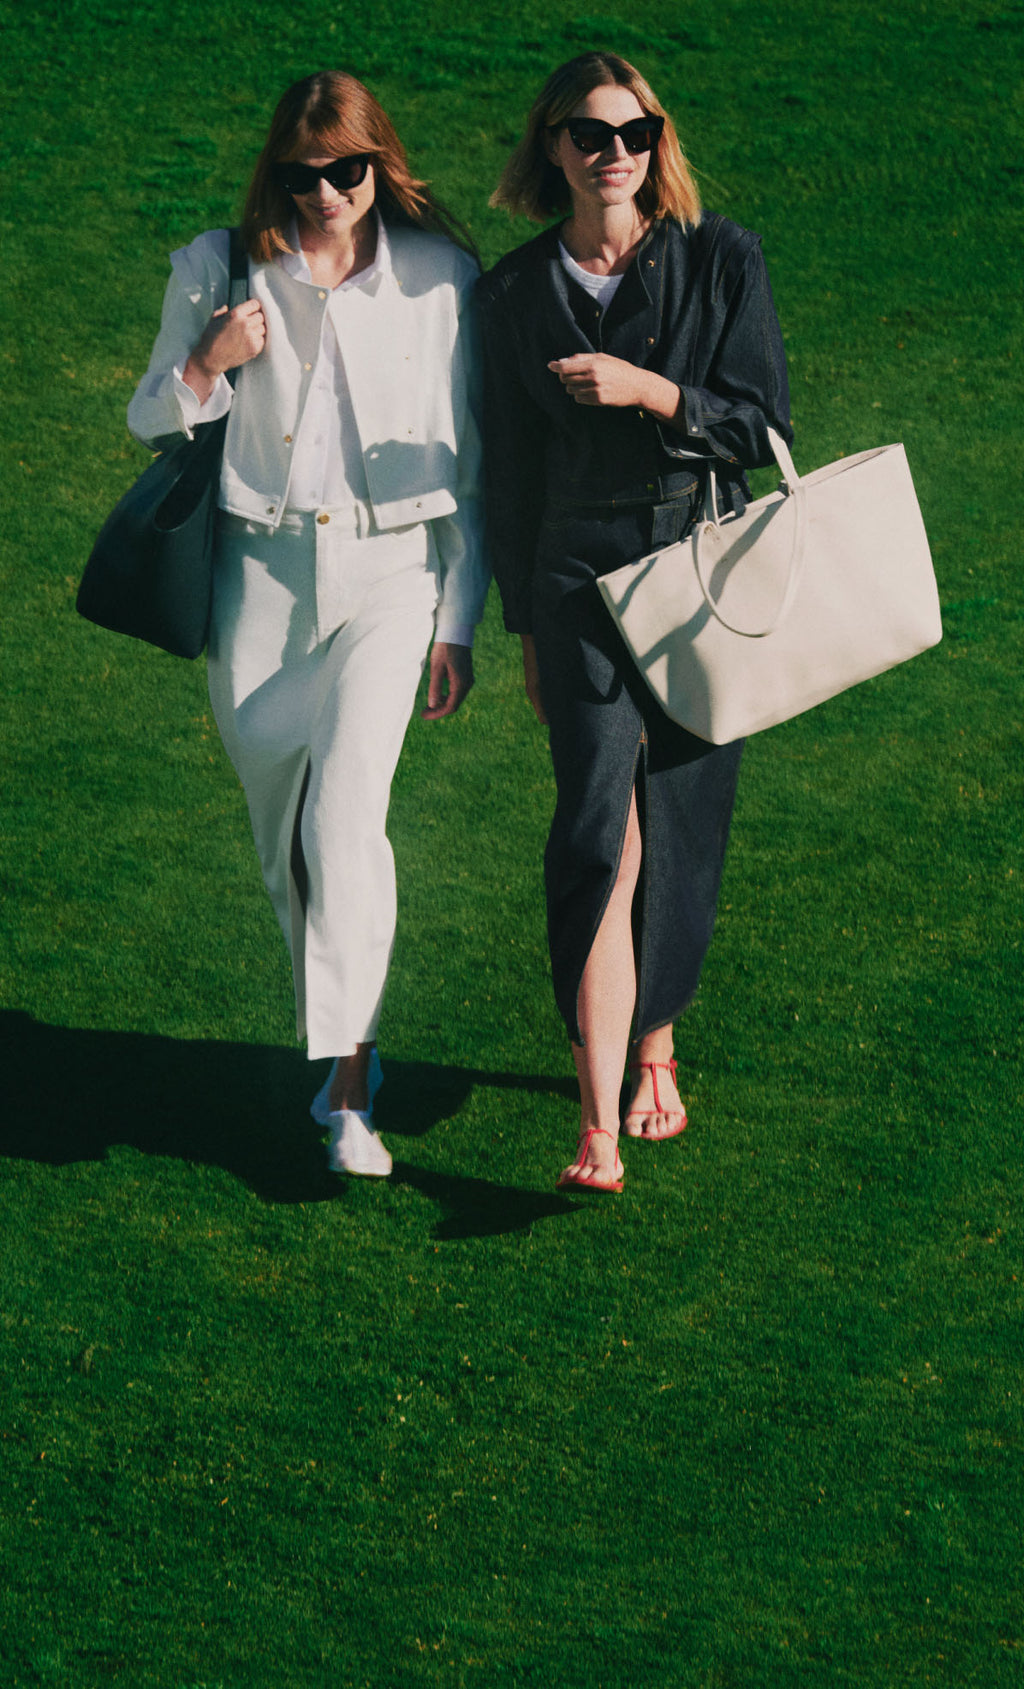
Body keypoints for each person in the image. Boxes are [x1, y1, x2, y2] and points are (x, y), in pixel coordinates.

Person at [128, 72, 488, 1176]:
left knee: (343, 827)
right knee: (288, 849)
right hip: (262, 584)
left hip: (392, 579)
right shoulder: (216, 267)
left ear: (381, 166)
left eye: (347, 170)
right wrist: (206, 364)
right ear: (277, 172)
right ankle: (345, 1047)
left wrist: (458, 619)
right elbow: (150, 415)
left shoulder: (441, 279)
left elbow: (473, 463)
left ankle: (346, 1094)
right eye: (304, 173)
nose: (326, 191)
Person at [477, 52, 791, 1193]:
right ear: (552, 147)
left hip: (699, 563)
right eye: (589, 134)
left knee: (683, 818)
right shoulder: (510, 294)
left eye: (636, 131)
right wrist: (519, 629)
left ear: (658, 144)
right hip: (573, 582)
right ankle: (598, 1122)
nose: (616, 153)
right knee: (598, 831)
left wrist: (652, 392)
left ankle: (659, 1039)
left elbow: (761, 426)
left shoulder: (720, 260)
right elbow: (505, 477)